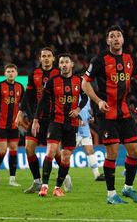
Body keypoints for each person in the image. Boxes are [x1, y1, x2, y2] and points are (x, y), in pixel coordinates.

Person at [82, 25, 137, 204]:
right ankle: (111, 195)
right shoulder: (100, 59)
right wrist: (98, 101)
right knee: (113, 152)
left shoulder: (130, 58)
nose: (116, 39)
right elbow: (85, 83)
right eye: (112, 36)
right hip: (107, 113)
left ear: (123, 40)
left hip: (124, 112)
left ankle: (128, 188)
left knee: (133, 150)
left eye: (118, 36)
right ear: (108, 40)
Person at [32, 53, 87, 197]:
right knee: (50, 151)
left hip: (72, 124)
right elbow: (43, 101)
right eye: (61, 62)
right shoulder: (52, 81)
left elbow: (85, 97)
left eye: (66, 62)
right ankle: (44, 186)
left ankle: (57, 187)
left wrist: (78, 109)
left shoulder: (78, 80)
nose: (64, 65)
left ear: (71, 65)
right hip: (55, 122)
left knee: (66, 157)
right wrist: (36, 119)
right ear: (59, 65)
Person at [18, 47, 62, 194]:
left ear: (54, 58)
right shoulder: (34, 74)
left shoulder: (59, 73)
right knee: (28, 148)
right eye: (44, 56)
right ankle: (37, 181)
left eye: (49, 56)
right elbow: (28, 95)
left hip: (54, 118)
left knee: (55, 152)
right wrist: (20, 112)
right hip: (37, 117)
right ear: (40, 58)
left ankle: (64, 174)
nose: (46, 58)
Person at [0, 64, 25, 186]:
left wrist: (23, 118)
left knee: (14, 149)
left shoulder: (20, 87)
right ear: (5, 73)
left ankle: (12, 179)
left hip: (14, 125)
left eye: (13, 71)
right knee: (2, 151)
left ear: (16, 73)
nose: (10, 73)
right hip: (1, 123)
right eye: (8, 71)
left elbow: (23, 106)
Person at [77, 98, 105, 181]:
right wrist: (77, 120)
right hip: (74, 129)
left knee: (90, 151)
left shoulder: (87, 98)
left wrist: (90, 118)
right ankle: (63, 174)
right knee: (67, 152)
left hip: (85, 129)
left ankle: (97, 175)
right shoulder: (73, 93)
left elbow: (87, 111)